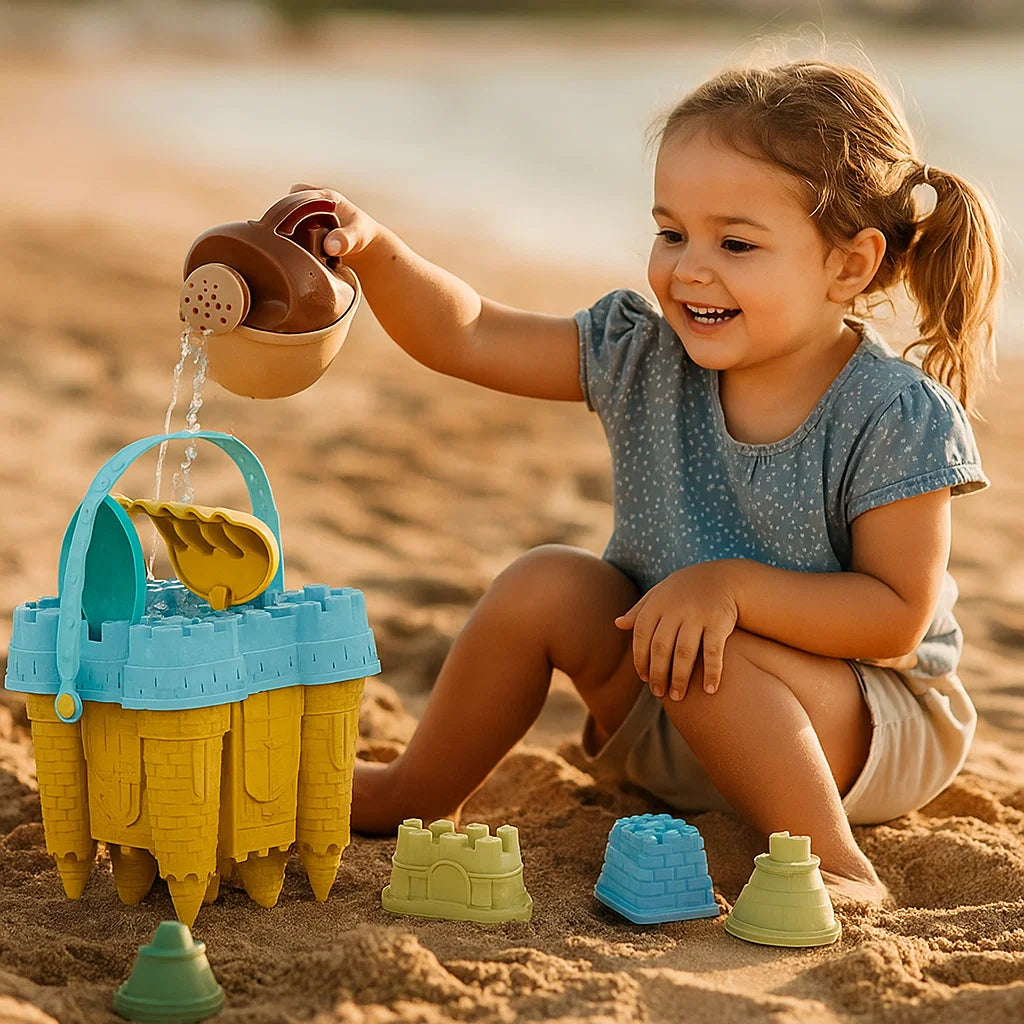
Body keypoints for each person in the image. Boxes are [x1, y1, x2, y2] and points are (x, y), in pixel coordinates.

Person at [301, 59, 1002, 903]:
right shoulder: (643, 355)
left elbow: (895, 619)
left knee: (718, 649)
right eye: (672, 233)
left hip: (859, 730)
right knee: (545, 582)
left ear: (849, 267)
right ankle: (413, 790)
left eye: (735, 244)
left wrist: (730, 589)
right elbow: (473, 334)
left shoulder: (891, 413)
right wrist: (372, 251)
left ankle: (832, 863)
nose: (689, 269)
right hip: (670, 705)